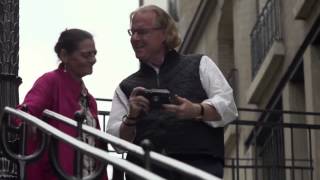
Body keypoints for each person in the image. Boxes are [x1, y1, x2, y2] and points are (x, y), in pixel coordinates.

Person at [107, 5, 238, 180]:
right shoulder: (126, 87)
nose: (135, 38)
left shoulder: (200, 64)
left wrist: (197, 110)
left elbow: (228, 106)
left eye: (142, 32)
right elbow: (116, 143)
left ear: (164, 33)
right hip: (145, 171)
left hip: (197, 170)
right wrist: (131, 118)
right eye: (132, 32)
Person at [16, 29, 107, 180]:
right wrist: (26, 120)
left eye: (94, 53)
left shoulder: (89, 99)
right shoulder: (50, 81)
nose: (93, 60)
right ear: (64, 55)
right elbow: (24, 113)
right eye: (86, 54)